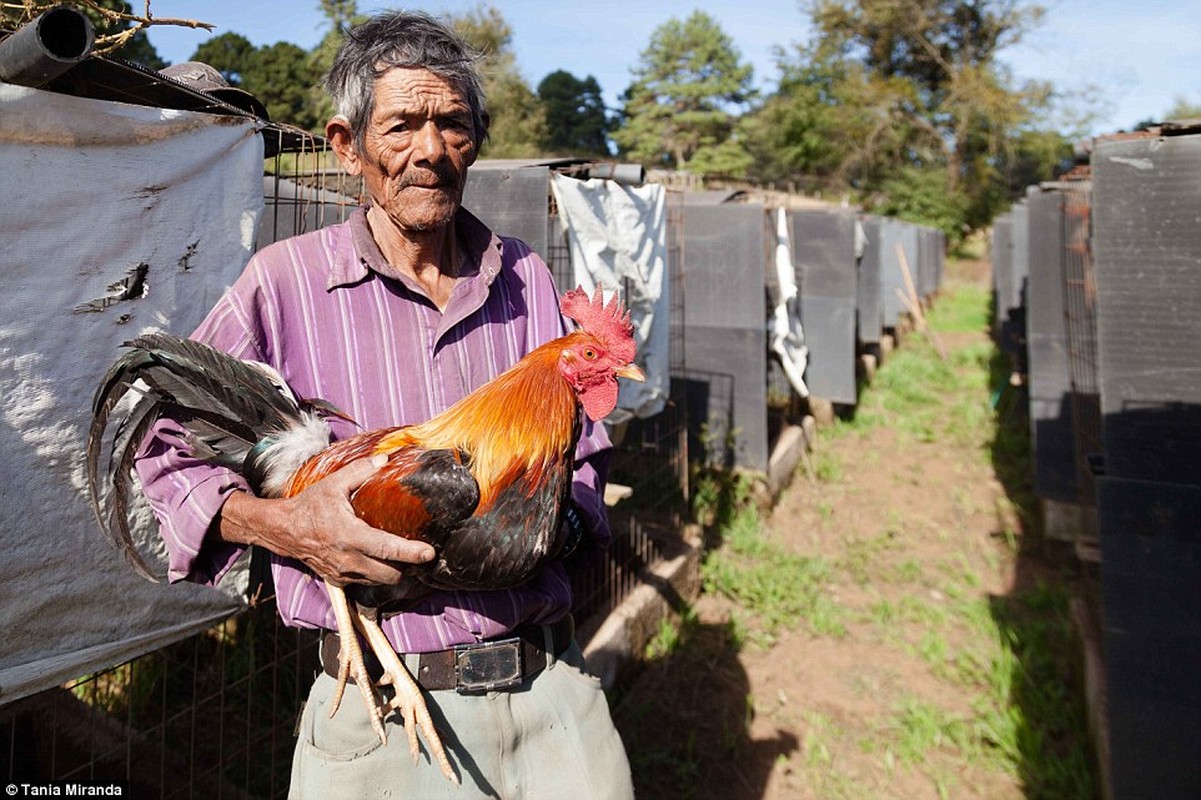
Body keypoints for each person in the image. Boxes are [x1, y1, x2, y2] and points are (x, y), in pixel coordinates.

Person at [134, 10, 634, 799]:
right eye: (402, 125)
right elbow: (159, 453)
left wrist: (558, 518)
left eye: (453, 124)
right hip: (382, 713)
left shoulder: (528, 278)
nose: (430, 151)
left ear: (478, 137)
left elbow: (588, 455)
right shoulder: (283, 281)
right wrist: (282, 524)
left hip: (552, 691)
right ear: (347, 146)